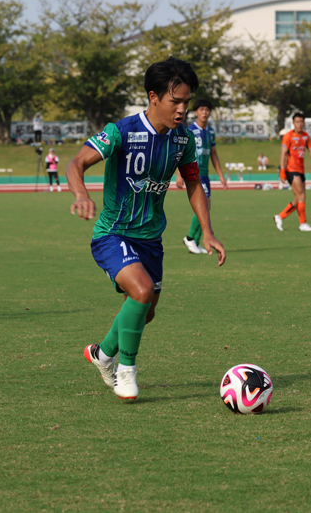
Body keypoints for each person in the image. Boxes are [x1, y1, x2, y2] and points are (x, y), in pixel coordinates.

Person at [67, 57, 226, 401]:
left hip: (151, 239)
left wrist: (207, 232)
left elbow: (194, 184)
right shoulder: (121, 131)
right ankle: (126, 370)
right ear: (154, 97)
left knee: (146, 311)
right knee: (140, 292)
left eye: (186, 101)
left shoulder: (183, 140)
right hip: (113, 233)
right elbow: (76, 162)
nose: (183, 109)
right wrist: (81, 195)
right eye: (176, 101)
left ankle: (102, 354)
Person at [177, 98, 228, 254]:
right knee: (204, 204)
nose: (205, 112)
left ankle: (196, 241)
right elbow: (181, 152)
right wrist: (179, 174)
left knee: (207, 206)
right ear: (196, 112)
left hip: (205, 175)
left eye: (207, 110)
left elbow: (213, 154)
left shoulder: (211, 132)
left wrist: (220, 175)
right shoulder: (190, 130)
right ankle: (190, 238)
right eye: (201, 110)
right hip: (193, 173)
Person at [274, 112, 311, 232]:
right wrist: (282, 171)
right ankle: (303, 224)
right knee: (302, 195)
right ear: (293, 123)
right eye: (297, 122)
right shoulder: (288, 136)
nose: (299, 124)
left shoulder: (306, 136)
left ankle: (280, 216)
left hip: (301, 171)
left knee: (298, 199)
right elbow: (283, 154)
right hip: (291, 170)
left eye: (301, 122)